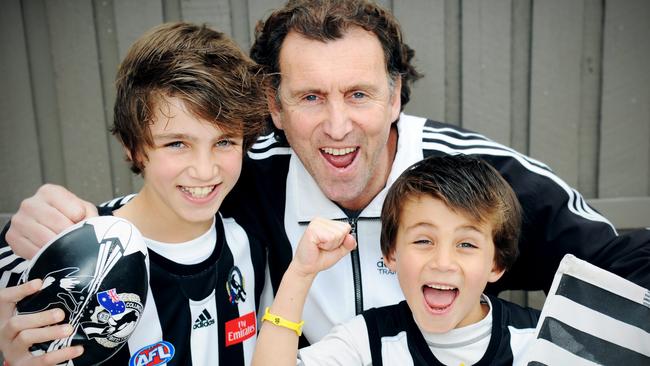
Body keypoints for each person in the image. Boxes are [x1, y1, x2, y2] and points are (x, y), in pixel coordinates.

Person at [3, 0, 650, 346]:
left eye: (360, 95)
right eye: (310, 98)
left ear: (397, 97)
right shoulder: (240, 172)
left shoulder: (483, 178)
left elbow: (625, 267)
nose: (337, 126)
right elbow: (155, 203)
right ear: (274, 108)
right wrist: (41, 229)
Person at [0, 22, 268, 365]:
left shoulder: (253, 241)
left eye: (224, 141)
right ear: (133, 147)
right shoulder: (68, 252)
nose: (204, 169)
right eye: (177, 144)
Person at [252, 155, 540, 365]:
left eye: (466, 244)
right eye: (423, 240)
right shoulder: (367, 340)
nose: (442, 262)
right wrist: (300, 273)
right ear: (391, 253)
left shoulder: (540, 339)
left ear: (496, 263)